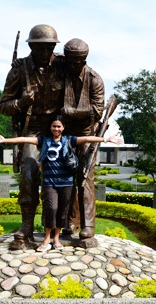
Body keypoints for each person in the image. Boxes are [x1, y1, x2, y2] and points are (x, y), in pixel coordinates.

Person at [0, 115, 123, 251]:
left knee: (62, 211)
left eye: (59, 126)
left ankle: (57, 239)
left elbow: (87, 138)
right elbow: (25, 139)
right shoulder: (45, 141)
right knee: (51, 209)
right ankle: (47, 238)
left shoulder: (69, 140)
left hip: (66, 182)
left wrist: (106, 139)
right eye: (54, 126)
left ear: (63, 128)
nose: (56, 129)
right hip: (50, 182)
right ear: (50, 127)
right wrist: (5, 140)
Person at [0, 24, 66, 246]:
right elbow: (3, 106)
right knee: (28, 172)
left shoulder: (64, 66)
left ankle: (68, 223)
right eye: (40, 48)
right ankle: (27, 224)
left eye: (49, 48)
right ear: (31, 47)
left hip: (58, 128)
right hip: (33, 129)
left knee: (69, 172)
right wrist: (21, 102)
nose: (45, 53)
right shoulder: (19, 70)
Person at [60, 38, 106, 240]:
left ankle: (88, 225)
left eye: (77, 61)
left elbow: (97, 111)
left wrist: (71, 112)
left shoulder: (95, 79)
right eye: (69, 60)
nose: (72, 65)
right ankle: (70, 222)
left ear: (84, 59)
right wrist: (20, 63)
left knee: (85, 177)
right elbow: (45, 57)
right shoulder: (62, 70)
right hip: (66, 135)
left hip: (87, 134)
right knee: (67, 178)